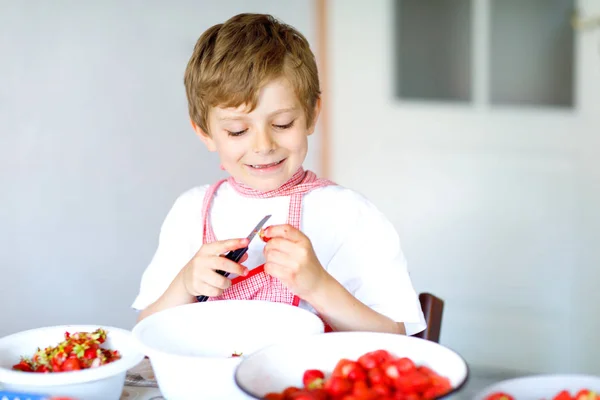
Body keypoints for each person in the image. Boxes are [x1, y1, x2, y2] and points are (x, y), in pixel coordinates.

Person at [132, 13, 426, 336]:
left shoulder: (349, 215)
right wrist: (185, 284)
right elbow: (146, 332)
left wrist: (318, 286)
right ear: (205, 133)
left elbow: (395, 338)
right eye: (237, 130)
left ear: (312, 114)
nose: (263, 145)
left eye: (282, 124)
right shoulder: (190, 214)